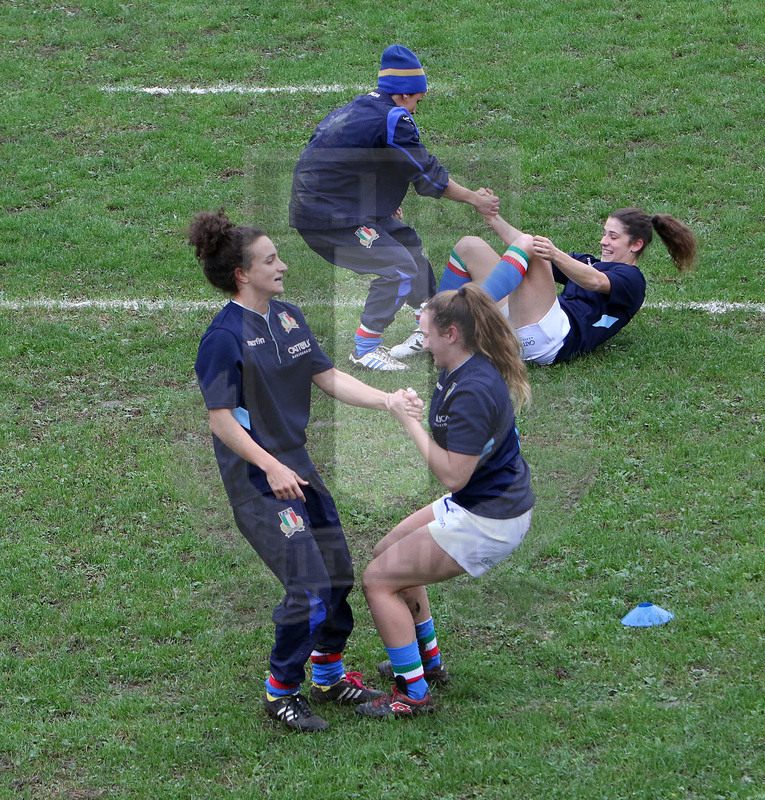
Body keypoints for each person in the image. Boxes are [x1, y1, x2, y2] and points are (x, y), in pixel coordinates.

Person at [191, 209, 418, 732]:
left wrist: (387, 401)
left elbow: (327, 374)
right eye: (271, 260)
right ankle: (280, 691)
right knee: (310, 587)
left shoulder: (287, 316)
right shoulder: (222, 338)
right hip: (260, 484)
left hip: (299, 471)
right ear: (243, 274)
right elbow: (221, 421)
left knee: (337, 573)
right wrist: (269, 466)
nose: (284, 266)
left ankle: (329, 673)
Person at [355, 284, 535, 718]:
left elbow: (453, 475)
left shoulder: (473, 390)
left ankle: (413, 696)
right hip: (483, 500)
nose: (422, 341)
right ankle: (427, 662)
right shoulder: (462, 366)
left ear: (451, 333)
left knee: (378, 581)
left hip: (488, 516)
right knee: (385, 554)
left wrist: (409, 423)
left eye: (426, 333)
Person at [289, 44, 500, 372]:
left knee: (408, 244)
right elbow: (427, 173)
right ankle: (365, 348)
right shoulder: (394, 119)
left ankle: (431, 325)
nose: (417, 108)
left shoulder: (363, 108)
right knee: (398, 266)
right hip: (328, 218)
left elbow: (346, 163)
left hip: (334, 206)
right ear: (404, 95)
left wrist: (376, 204)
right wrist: (475, 198)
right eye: (418, 99)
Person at [434, 203, 697, 364]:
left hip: (552, 339)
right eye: (605, 233)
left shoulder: (632, 280)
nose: (604, 241)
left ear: (636, 245)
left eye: (613, 236)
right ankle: (433, 325)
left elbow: (595, 281)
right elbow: (531, 247)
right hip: (530, 326)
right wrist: (492, 218)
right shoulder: (589, 262)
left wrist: (554, 253)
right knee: (470, 245)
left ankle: (451, 313)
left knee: (530, 244)